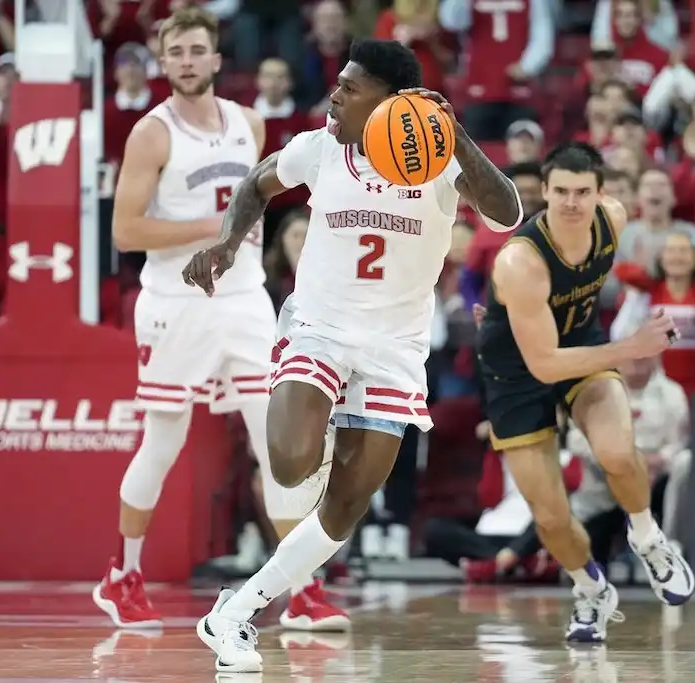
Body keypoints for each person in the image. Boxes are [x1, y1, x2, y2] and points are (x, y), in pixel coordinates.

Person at [183, 38, 523, 673]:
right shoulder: (319, 148)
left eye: (349, 88)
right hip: (320, 330)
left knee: (342, 511)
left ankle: (234, 612)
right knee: (288, 466)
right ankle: (312, 442)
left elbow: (507, 212)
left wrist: (454, 137)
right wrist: (229, 245)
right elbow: (256, 186)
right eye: (337, 84)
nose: (334, 95)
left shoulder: (440, 161)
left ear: (391, 105)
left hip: (395, 349)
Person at [93, 6, 347, 631]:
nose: (184, 60)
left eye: (195, 49)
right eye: (173, 51)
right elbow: (125, 231)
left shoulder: (249, 123)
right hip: (174, 303)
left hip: (244, 301)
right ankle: (122, 575)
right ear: (162, 60)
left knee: (276, 443)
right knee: (164, 442)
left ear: (214, 58)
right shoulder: (151, 134)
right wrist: (217, 227)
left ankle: (303, 591)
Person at [476, 141, 695, 644]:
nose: (571, 203)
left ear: (601, 195)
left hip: (580, 342)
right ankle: (590, 590)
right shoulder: (520, 262)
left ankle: (649, 538)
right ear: (545, 193)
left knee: (619, 453)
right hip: (518, 370)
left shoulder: (612, 221)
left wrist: (618, 346)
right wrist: (632, 346)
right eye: (560, 192)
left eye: (582, 192)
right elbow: (544, 363)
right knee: (551, 516)